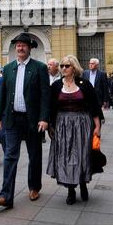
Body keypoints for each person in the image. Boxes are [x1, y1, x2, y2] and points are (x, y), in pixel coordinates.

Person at [0, 33, 50, 209]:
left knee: (34, 155)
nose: (20, 48)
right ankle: (6, 196)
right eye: (18, 45)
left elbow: (45, 96)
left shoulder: (39, 68)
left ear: (30, 48)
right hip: (12, 119)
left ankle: (34, 187)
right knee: (10, 156)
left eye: (24, 45)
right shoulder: (8, 68)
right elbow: (3, 94)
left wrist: (44, 118)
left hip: (32, 120)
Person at [47, 55, 101, 205]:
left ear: (74, 68)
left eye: (67, 66)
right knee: (66, 156)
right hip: (62, 124)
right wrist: (50, 125)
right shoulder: (57, 85)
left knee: (82, 154)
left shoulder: (84, 84)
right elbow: (51, 107)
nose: (63, 68)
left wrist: (97, 126)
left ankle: (83, 183)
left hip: (82, 123)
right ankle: (71, 190)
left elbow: (94, 105)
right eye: (62, 66)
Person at [83, 58, 110, 123]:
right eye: (90, 63)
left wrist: (105, 100)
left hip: (98, 98)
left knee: (96, 114)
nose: (90, 65)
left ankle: (97, 130)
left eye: (92, 63)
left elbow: (105, 88)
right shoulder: (85, 73)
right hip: (87, 98)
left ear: (97, 65)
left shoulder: (102, 74)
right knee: (88, 115)